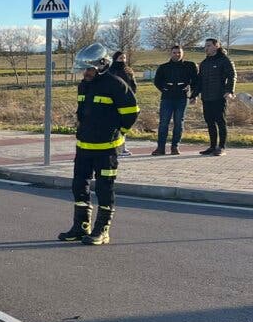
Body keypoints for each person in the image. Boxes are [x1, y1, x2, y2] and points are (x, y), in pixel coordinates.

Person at [57, 44, 139, 245]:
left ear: (102, 65)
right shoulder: (84, 85)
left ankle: (102, 230)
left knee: (104, 188)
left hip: (107, 149)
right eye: (83, 69)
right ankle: (80, 226)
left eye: (89, 69)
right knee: (79, 186)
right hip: (84, 146)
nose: (85, 73)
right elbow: (82, 112)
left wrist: (118, 132)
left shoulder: (116, 84)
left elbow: (131, 113)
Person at [192, 38, 236, 156]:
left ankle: (221, 147)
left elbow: (232, 76)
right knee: (209, 122)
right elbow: (200, 81)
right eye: (205, 46)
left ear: (216, 46)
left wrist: (229, 91)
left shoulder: (224, 60)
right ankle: (212, 146)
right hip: (206, 97)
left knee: (220, 121)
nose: (206, 48)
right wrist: (194, 95)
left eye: (209, 46)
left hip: (219, 96)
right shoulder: (204, 63)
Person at [151, 44, 197, 155]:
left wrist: (194, 95)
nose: (177, 55)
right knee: (164, 123)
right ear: (171, 53)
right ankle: (160, 147)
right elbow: (157, 81)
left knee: (178, 122)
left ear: (183, 53)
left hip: (182, 98)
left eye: (179, 53)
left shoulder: (190, 66)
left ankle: (175, 147)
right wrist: (165, 89)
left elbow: (195, 81)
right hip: (167, 99)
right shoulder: (163, 67)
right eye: (174, 53)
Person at [111, 51, 137, 155]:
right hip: (113, 103)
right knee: (114, 126)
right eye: (120, 58)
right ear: (115, 59)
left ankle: (122, 148)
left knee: (124, 126)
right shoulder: (111, 71)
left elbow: (133, 86)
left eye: (124, 58)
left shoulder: (128, 71)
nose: (123, 60)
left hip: (126, 102)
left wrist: (132, 96)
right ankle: (115, 148)